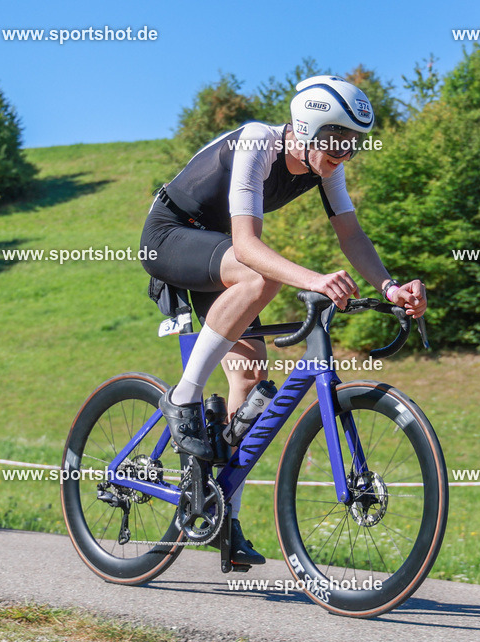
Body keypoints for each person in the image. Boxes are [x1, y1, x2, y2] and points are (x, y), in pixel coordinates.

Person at [140, 75, 426, 565]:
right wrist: (312, 279)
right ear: (307, 128)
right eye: (337, 139)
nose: (345, 152)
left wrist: (389, 287)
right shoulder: (258, 142)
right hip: (171, 236)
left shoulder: (323, 166)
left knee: (249, 387)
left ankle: (220, 517)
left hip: (220, 252)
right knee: (260, 279)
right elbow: (248, 246)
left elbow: (351, 235)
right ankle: (182, 396)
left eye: (353, 142)